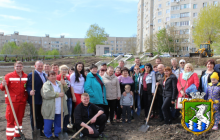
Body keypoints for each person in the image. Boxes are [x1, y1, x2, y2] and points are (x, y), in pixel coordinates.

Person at [0, 61, 28, 140]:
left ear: (22, 67)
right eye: (17, 66)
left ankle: (18, 135)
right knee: (11, 120)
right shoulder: (9, 76)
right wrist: (3, 84)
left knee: (19, 119)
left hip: (22, 101)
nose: (19, 68)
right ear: (14, 67)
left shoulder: (25, 76)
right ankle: (9, 138)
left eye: (20, 66)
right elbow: (2, 88)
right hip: (12, 102)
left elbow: (27, 88)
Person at [41, 71, 68, 139]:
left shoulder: (59, 83)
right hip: (50, 107)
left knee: (58, 122)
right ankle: (48, 135)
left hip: (59, 106)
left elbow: (65, 90)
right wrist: (57, 94)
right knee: (48, 122)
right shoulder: (46, 85)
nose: (53, 77)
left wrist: (64, 84)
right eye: (51, 76)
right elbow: (46, 94)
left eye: (54, 75)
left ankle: (57, 134)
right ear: (48, 77)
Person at [26, 60, 46, 137]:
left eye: (41, 66)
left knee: (41, 116)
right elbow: (28, 86)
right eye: (39, 66)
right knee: (34, 116)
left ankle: (40, 130)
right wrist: (29, 91)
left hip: (42, 99)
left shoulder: (44, 75)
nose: (40, 67)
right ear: (35, 66)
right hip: (35, 99)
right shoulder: (32, 74)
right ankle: (35, 130)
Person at [56, 65, 75, 132]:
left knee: (68, 113)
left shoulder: (68, 77)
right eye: (63, 69)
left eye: (66, 69)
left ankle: (65, 127)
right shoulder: (58, 77)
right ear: (60, 70)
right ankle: (61, 127)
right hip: (62, 98)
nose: (64, 71)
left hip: (69, 97)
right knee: (62, 113)